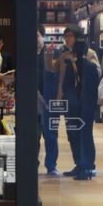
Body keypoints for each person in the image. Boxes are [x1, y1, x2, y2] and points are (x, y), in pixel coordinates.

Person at [57, 26, 100, 180]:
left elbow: (96, 75)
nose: (67, 39)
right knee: (72, 133)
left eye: (70, 36)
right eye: (65, 36)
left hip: (85, 101)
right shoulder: (64, 54)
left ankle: (88, 165)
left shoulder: (89, 54)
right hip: (72, 101)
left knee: (85, 134)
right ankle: (79, 163)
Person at [37, 26, 62, 176]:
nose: (35, 40)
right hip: (32, 99)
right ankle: (33, 164)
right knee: (34, 135)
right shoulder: (26, 53)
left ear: (43, 36)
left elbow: (57, 75)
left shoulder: (53, 53)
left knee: (51, 134)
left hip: (49, 99)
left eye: (37, 36)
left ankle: (51, 165)